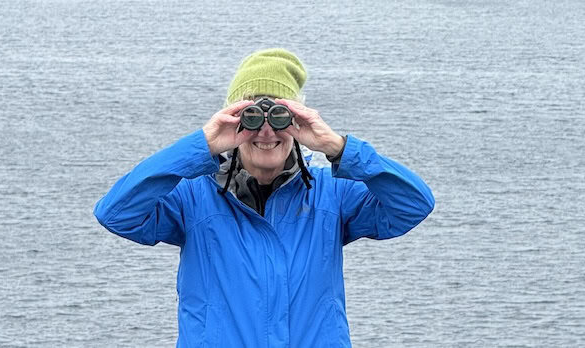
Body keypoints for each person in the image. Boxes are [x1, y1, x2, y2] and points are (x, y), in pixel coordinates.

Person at [94, 48, 435, 348]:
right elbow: (117, 213)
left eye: (280, 116)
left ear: (298, 121)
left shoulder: (332, 195)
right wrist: (201, 146)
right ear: (232, 120)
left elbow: (414, 204)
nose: (267, 130)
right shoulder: (193, 197)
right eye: (251, 117)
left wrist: (339, 148)